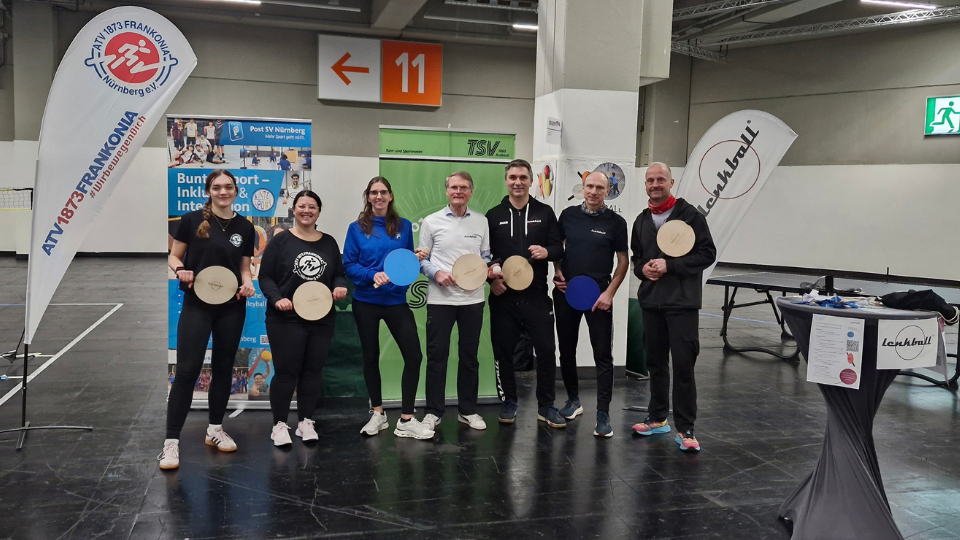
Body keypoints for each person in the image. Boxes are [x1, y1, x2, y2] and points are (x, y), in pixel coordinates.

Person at [160, 169, 257, 470]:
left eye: (228, 186)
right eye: (217, 187)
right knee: (187, 371)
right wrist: (180, 270)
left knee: (224, 368)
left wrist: (248, 281)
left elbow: (243, 267)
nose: (223, 191)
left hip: (231, 307)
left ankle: (215, 428)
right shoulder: (190, 221)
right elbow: (174, 257)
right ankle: (170, 443)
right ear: (209, 190)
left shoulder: (245, 226)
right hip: (196, 305)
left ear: (236, 190)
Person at [630, 162, 716, 452]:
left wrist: (672, 265)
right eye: (650, 180)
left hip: (682, 304)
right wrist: (645, 271)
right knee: (655, 364)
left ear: (671, 182)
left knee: (682, 366)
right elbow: (636, 259)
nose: (655, 184)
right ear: (645, 185)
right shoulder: (641, 220)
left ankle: (686, 428)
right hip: (651, 303)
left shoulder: (690, 215)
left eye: (660, 180)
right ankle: (657, 419)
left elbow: (707, 253)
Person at [343, 177, 433, 440]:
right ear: (368, 197)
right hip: (366, 302)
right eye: (374, 192)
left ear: (390, 196)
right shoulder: (356, 228)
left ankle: (406, 419)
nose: (379, 196)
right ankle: (378, 414)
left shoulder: (404, 227)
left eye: (383, 192)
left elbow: (405, 267)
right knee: (370, 357)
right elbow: (349, 265)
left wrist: (414, 259)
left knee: (414, 356)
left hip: (396, 302)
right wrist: (373, 275)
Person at [258, 190, 348, 446]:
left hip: (321, 318)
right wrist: (277, 299)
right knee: (286, 373)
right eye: (301, 206)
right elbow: (265, 277)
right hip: (285, 319)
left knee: (312, 372)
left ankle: (306, 421)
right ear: (294, 210)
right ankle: (279, 426)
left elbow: (338, 274)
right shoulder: (280, 241)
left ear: (319, 211)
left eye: (312, 206)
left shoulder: (329, 242)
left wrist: (340, 286)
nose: (306, 210)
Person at [485, 159, 565, 428]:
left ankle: (546, 405)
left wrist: (547, 252)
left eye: (522, 177)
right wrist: (490, 279)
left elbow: (558, 247)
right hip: (503, 295)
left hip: (537, 295)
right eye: (512, 177)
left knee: (545, 350)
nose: (517, 182)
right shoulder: (493, 215)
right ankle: (509, 402)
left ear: (532, 181)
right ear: (506, 181)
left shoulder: (545, 212)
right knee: (503, 351)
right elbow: (485, 256)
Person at [553, 171, 629, 438]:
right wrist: (558, 271)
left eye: (599, 187)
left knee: (603, 356)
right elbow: (557, 249)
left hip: (598, 298)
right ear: (582, 188)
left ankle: (603, 414)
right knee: (566, 349)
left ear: (607, 191)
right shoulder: (568, 216)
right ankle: (573, 401)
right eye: (589, 186)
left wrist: (609, 293)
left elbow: (623, 261)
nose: (594, 191)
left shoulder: (616, 222)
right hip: (567, 294)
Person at [418, 171, 492, 432]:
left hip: (473, 300)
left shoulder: (481, 222)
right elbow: (422, 260)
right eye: (453, 187)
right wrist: (436, 273)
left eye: (463, 187)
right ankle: (433, 412)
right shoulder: (430, 222)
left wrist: (490, 269)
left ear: (471, 191)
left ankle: (468, 411)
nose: (458, 191)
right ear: (446, 191)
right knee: (437, 356)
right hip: (440, 300)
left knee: (469, 356)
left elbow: (486, 256)